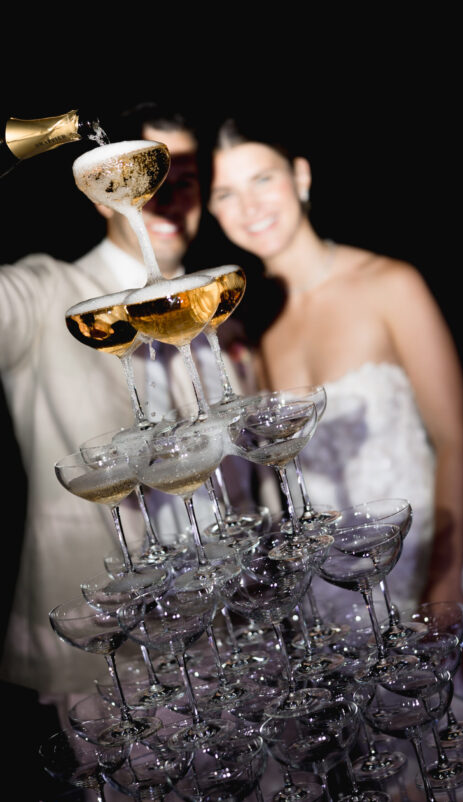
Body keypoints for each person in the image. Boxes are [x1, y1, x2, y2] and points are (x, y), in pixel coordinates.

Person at [208, 117, 463, 719]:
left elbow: (456, 439)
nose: (250, 207)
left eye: (263, 179)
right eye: (225, 193)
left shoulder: (390, 283)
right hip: (334, 596)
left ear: (301, 176)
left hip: (432, 562)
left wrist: (446, 579)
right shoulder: (253, 329)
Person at [0, 104, 241, 710]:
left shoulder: (220, 305)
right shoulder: (45, 292)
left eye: (184, 179)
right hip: (110, 633)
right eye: (145, 175)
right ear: (101, 192)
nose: (164, 197)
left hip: (234, 622)